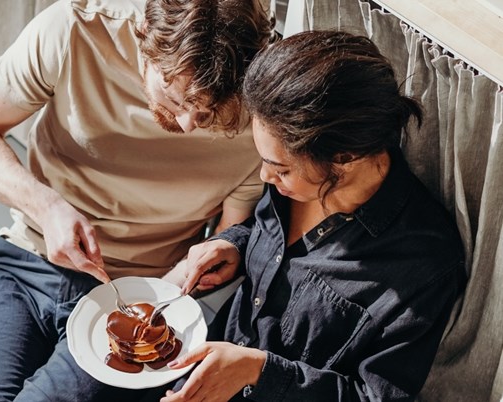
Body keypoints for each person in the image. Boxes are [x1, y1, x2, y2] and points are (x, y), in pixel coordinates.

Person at [0, 0, 274, 400]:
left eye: (208, 113)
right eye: (176, 100)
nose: (189, 124)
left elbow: (230, 232)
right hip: (28, 259)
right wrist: (46, 207)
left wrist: (217, 256)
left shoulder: (257, 113)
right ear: (147, 43)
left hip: (144, 295)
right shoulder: (73, 29)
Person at [159, 31, 467, 402]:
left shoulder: (422, 264)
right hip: (199, 370)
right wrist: (234, 244)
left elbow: (373, 396)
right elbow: (268, 234)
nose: (265, 178)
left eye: (281, 169)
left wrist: (259, 371)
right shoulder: (294, 182)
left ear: (345, 158)